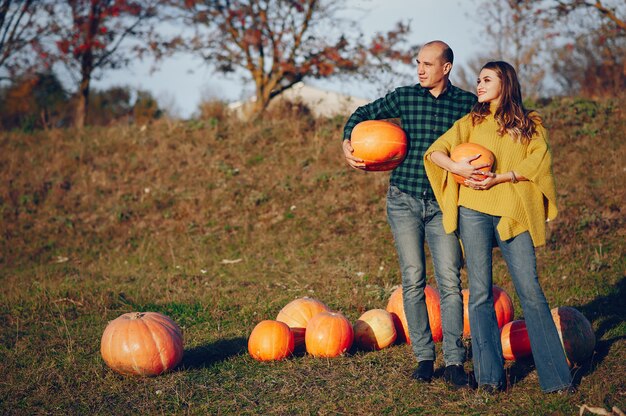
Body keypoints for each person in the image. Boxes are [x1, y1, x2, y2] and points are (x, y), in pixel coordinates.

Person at [423, 61, 574, 394]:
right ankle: (489, 378)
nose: (479, 84)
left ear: (505, 82)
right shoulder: (472, 121)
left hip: (512, 214)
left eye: (486, 79)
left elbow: (539, 161)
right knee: (479, 294)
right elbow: (435, 152)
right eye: (478, 80)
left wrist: (501, 177)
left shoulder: (530, 123)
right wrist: (456, 166)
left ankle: (557, 379)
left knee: (530, 292)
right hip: (473, 210)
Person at [342, 40, 477, 388]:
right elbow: (361, 114)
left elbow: (489, 138)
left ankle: (454, 362)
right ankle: (423, 358)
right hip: (403, 200)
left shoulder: (466, 104)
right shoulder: (404, 96)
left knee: (450, 282)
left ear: (446, 68)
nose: (420, 69)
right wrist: (348, 143)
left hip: (443, 204)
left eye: (428, 64)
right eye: (418, 63)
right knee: (413, 279)